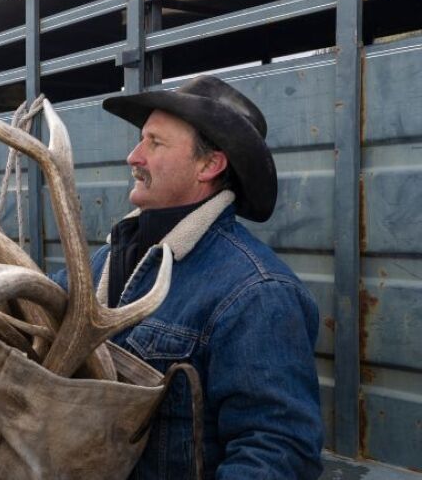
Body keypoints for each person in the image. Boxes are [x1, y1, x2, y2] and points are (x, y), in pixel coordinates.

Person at [52, 75, 323, 479]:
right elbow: (34, 310)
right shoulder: (108, 259)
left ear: (209, 165)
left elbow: (276, 453)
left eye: (155, 143)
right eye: (141, 139)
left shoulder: (257, 293)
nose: (133, 156)